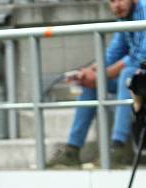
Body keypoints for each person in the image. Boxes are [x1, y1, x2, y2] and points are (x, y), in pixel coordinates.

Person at [48, 0, 146, 169]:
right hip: (138, 78)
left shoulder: (144, 9)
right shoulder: (124, 17)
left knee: (127, 75)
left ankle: (118, 147)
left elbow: (140, 57)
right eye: (112, 1)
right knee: (91, 85)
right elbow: (112, 54)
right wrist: (87, 72)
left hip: (139, 75)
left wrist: (100, 74)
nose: (116, 5)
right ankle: (73, 149)